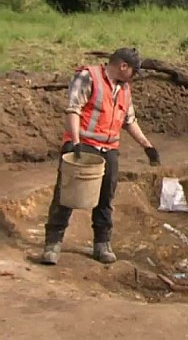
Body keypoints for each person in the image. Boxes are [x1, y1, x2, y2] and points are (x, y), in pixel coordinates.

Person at [41, 47, 160, 265]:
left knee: (106, 197)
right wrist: (75, 142)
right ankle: (53, 244)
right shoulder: (88, 77)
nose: (134, 76)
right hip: (83, 145)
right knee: (66, 194)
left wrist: (147, 146)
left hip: (109, 149)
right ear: (123, 66)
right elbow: (74, 109)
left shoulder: (124, 89)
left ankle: (102, 244)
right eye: (134, 71)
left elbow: (129, 120)